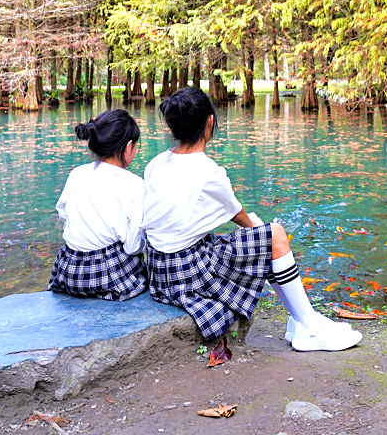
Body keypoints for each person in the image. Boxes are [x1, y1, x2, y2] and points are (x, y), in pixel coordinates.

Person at [142, 86, 362, 352]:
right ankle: (310, 327)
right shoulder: (208, 171)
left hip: (160, 270)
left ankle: (299, 321)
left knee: (261, 237)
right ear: (210, 120)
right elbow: (242, 219)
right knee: (275, 235)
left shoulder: (155, 163)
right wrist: (267, 235)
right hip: (187, 272)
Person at [48, 109, 147, 301]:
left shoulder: (77, 174)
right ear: (128, 147)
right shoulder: (135, 185)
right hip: (105, 275)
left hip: (69, 270)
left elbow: (63, 214)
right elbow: (134, 246)